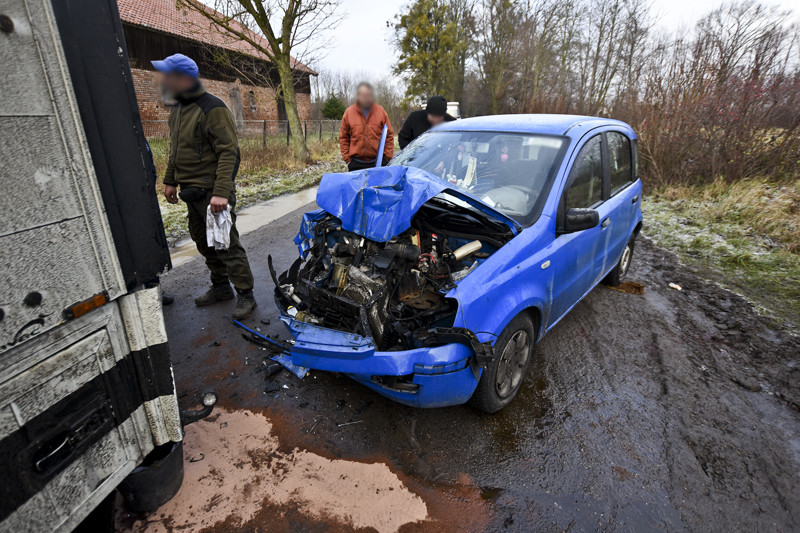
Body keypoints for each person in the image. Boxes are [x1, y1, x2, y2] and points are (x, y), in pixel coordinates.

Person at [154, 53, 257, 319]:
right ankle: (221, 287)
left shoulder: (213, 108)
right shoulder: (177, 110)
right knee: (204, 243)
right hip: (191, 192)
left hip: (214, 192)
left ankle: (246, 294)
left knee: (225, 244)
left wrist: (221, 192)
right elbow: (175, 150)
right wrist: (169, 180)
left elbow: (229, 152)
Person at [339, 82, 394, 171]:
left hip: (378, 163)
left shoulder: (381, 112)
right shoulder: (348, 113)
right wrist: (348, 159)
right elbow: (343, 138)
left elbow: (389, 135)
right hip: (356, 163)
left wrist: (387, 157)